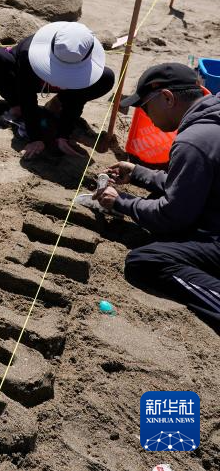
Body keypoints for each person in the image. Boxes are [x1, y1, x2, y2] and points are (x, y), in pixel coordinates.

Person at [93, 63, 220, 332]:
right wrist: (139, 174)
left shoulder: (193, 140)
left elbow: (171, 217)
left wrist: (121, 202)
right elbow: (195, 183)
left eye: (145, 106)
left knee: (146, 261)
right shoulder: (212, 120)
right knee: (156, 201)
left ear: (167, 98)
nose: (145, 115)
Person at [0, 22, 115, 159]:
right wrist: (35, 138)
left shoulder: (83, 57)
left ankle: (57, 104)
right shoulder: (29, 53)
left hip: (62, 89)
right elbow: (26, 94)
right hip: (26, 80)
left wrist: (63, 135)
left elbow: (77, 98)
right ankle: (16, 106)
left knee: (106, 77)